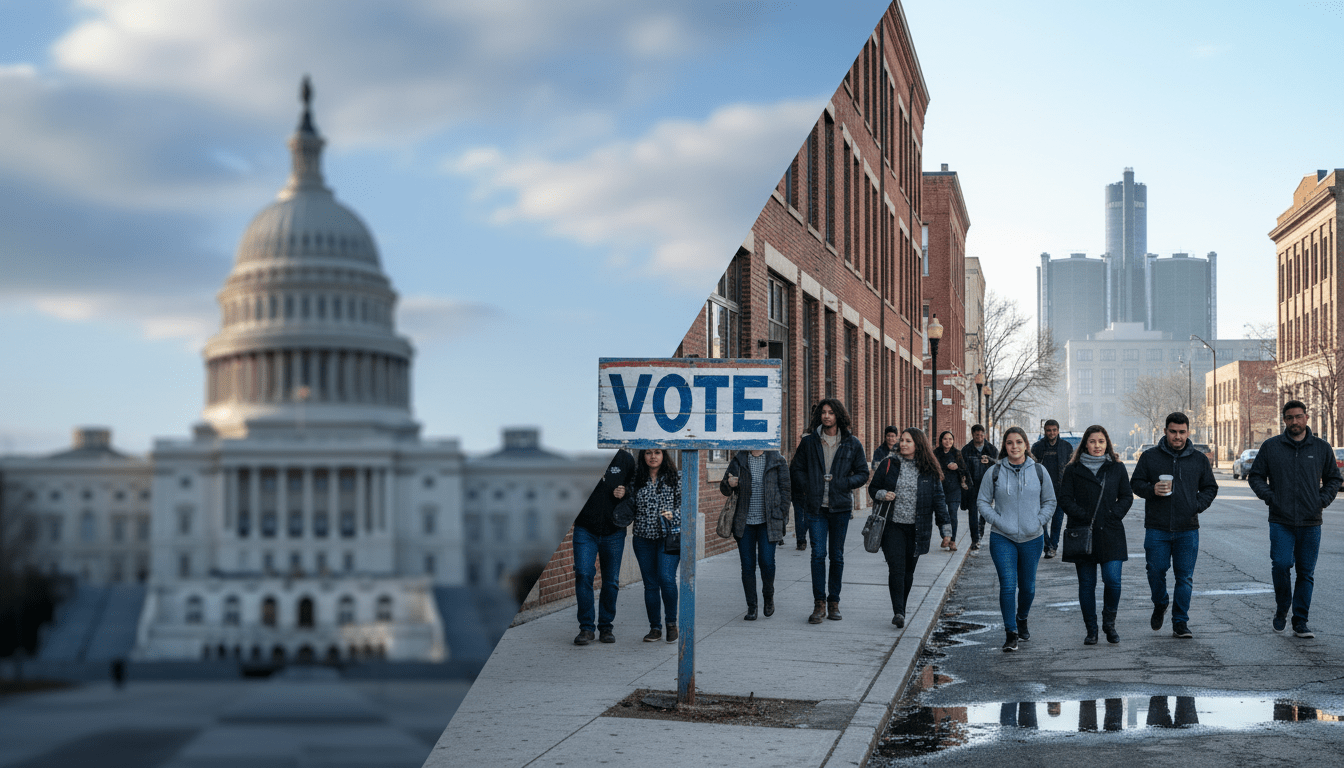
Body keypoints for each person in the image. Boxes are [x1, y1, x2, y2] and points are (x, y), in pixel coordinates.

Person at [1246, 400, 1342, 638]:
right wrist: (1271, 497)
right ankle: (1282, 607)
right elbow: (1255, 476)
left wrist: (1321, 500)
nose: (1295, 421)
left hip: (1311, 521)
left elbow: (1334, 478)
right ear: (1284, 420)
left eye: (1299, 416)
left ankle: (1300, 621)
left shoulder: (1321, 448)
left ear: (1306, 418)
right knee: (1280, 564)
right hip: (1281, 520)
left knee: (1305, 572)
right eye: (1289, 417)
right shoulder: (1271, 447)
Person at [1130, 411, 1218, 639]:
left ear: (1188, 432)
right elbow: (1136, 483)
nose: (1177, 436)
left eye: (1182, 432)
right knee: (1155, 571)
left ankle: (1180, 622)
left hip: (1187, 528)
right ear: (1165, 431)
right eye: (1173, 432)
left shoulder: (1198, 459)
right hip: (1157, 528)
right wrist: (1152, 489)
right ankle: (1160, 602)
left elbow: (1210, 487)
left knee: (1184, 577)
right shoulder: (1150, 457)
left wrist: (1196, 505)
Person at [790, 398, 869, 624]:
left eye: (831, 412)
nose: (826, 416)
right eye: (823, 412)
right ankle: (819, 603)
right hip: (816, 508)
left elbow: (863, 473)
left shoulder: (852, 443)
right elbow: (796, 469)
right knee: (817, 554)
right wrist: (809, 485)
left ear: (838, 416)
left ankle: (834, 602)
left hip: (840, 508)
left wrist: (844, 483)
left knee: (837, 555)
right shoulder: (809, 442)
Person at [977, 426, 1056, 652]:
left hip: (1032, 537)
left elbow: (1050, 501)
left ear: (1026, 445)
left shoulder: (1039, 471)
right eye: (1010, 442)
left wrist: (1038, 521)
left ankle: (1022, 618)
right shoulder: (994, 471)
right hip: (1002, 537)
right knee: (1008, 585)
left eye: (1019, 442)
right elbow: (982, 501)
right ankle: (1011, 632)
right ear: (1005, 446)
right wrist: (998, 521)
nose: (1014, 446)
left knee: (1028, 588)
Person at [868, 428, 952, 628]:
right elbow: (873, 488)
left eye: (908, 441)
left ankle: (902, 608)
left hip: (917, 528)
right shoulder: (889, 463)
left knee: (908, 571)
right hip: (892, 526)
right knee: (896, 568)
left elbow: (939, 501)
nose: (903, 444)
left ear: (918, 444)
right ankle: (898, 612)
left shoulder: (929, 470)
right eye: (902, 440)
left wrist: (946, 531)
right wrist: (882, 494)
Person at [1058, 425, 1132, 645]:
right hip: (1083, 533)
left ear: (1107, 443)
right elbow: (1065, 499)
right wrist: (1082, 515)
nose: (1097, 446)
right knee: (1087, 584)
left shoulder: (1116, 467)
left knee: (1113, 581)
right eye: (1092, 441)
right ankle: (1091, 630)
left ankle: (1109, 623)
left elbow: (1126, 496)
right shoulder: (1073, 469)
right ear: (1085, 444)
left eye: (1101, 441)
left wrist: (1114, 514)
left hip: (1111, 532)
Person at [570, 449, 637, 645]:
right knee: (583, 574)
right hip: (585, 528)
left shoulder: (625, 459)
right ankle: (586, 628)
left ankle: (606, 626)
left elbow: (637, 487)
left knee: (611, 581)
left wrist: (626, 492)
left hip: (614, 529)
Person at [720, 449, 791, 621]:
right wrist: (730, 483)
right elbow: (724, 488)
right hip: (744, 522)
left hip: (769, 521)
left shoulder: (777, 459)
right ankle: (752, 606)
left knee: (767, 562)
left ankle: (768, 596)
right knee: (747, 566)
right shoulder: (739, 459)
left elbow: (786, 489)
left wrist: (781, 514)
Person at [623, 448, 682, 643]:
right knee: (650, 584)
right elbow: (628, 506)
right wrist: (621, 494)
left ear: (664, 455)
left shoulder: (676, 478)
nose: (653, 456)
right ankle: (655, 628)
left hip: (669, 537)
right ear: (643, 456)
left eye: (657, 452)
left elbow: (687, 505)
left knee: (666, 578)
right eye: (648, 453)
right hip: (643, 538)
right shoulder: (636, 479)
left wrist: (674, 515)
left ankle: (671, 624)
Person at [1031, 419, 1071, 558]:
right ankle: (1047, 544)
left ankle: (1053, 546)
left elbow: (1070, 469)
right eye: (1049, 430)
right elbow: (1031, 467)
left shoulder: (1066, 447)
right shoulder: (1037, 447)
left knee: (1057, 521)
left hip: (1061, 489)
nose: (1052, 433)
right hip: (1041, 489)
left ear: (1058, 431)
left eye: (1054, 430)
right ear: (1045, 431)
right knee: (1041, 520)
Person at [961, 424, 998, 550]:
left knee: (983, 512)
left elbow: (998, 465)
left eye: (982, 435)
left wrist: (990, 460)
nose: (980, 437)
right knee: (972, 512)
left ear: (985, 434)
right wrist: (963, 481)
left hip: (987, 486)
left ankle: (980, 532)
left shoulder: (991, 449)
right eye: (977, 435)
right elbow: (962, 467)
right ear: (973, 435)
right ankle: (975, 539)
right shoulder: (966, 450)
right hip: (972, 486)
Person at [934, 430, 968, 549]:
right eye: (945, 439)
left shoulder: (957, 453)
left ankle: (952, 540)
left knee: (952, 513)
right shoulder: (936, 453)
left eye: (950, 439)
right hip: (939, 489)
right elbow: (931, 468)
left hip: (954, 488)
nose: (948, 441)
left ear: (953, 441)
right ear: (941, 440)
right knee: (941, 514)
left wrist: (957, 467)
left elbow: (964, 470)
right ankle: (945, 536)